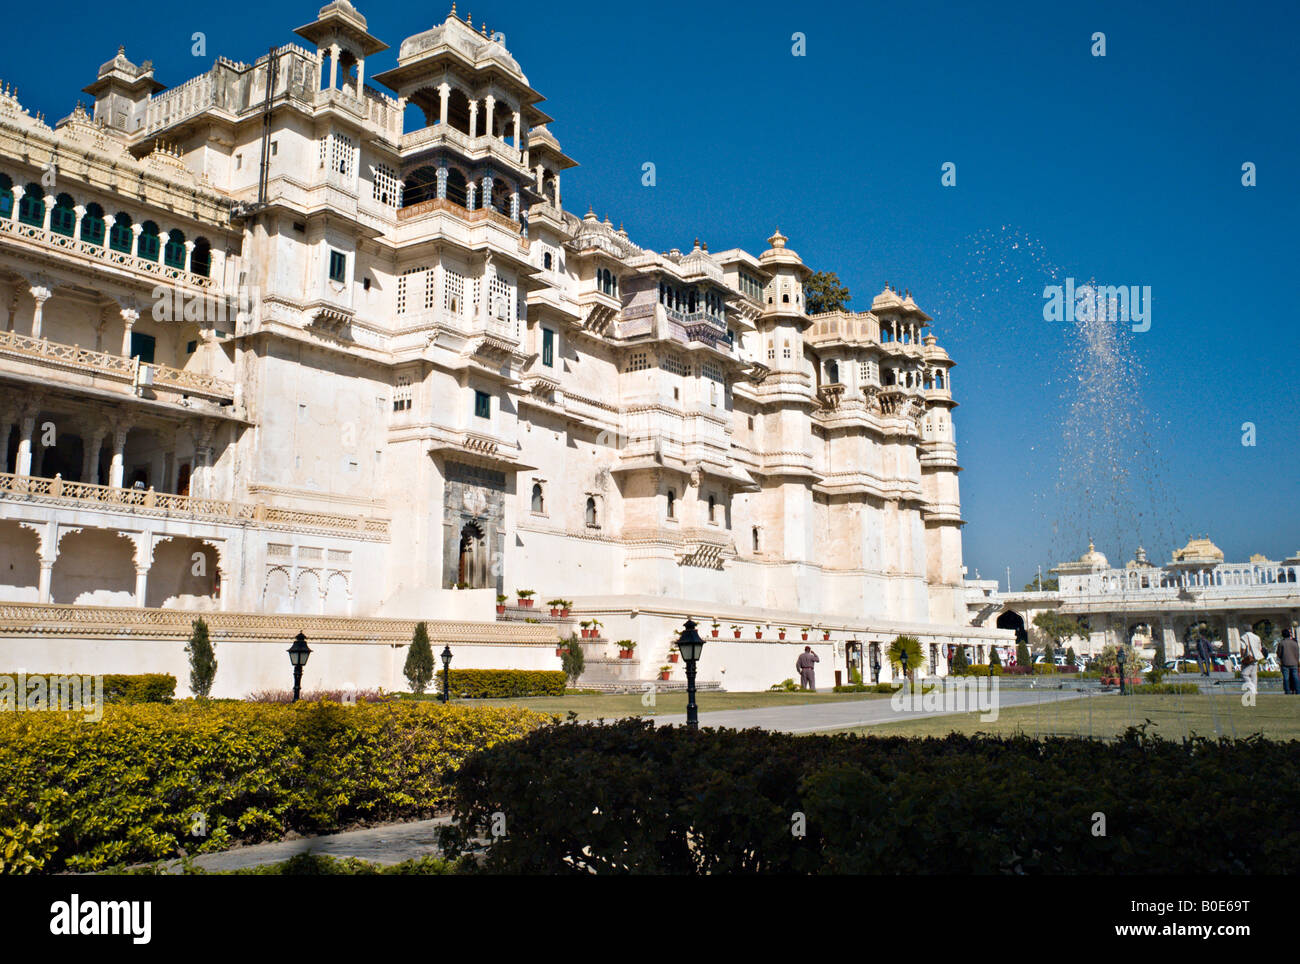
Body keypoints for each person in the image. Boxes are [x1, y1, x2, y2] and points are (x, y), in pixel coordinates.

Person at [1240, 628, 1264, 698]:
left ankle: (1252, 688)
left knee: (1244, 674)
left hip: (1249, 657)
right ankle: (1254, 690)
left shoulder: (1243, 637)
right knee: (1254, 675)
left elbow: (1243, 648)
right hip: (1256, 657)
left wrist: (1242, 656)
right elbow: (1260, 648)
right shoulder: (1257, 637)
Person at [1276, 629, 1300, 695]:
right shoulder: (1295, 643)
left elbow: (1279, 653)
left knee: (1286, 678)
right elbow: (1297, 653)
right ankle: (1298, 691)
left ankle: (1287, 691)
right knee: (1296, 677)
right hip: (1294, 662)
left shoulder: (1281, 643)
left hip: (1285, 662)